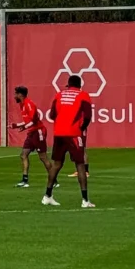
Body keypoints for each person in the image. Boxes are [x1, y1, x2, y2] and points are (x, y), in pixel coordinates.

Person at [43, 74, 95, 208]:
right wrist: (81, 127)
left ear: (69, 85)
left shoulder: (59, 95)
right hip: (73, 133)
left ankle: (47, 196)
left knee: (57, 164)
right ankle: (85, 200)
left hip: (59, 133)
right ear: (80, 85)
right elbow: (88, 116)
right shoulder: (83, 95)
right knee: (80, 165)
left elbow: (51, 115)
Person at [10, 85, 52, 188]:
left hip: (38, 132)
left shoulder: (29, 104)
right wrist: (16, 125)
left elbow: (34, 121)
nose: (14, 96)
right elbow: (27, 122)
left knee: (43, 157)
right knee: (23, 155)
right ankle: (25, 180)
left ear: (20, 94)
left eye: (15, 94)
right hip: (31, 132)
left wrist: (23, 127)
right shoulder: (22, 104)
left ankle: (53, 180)